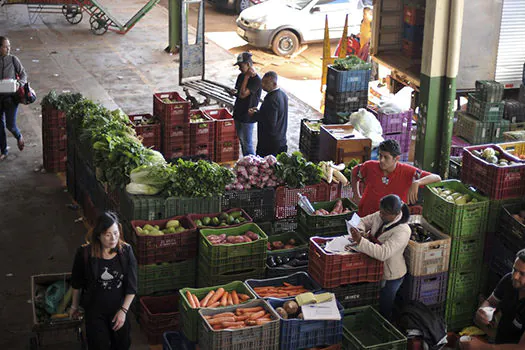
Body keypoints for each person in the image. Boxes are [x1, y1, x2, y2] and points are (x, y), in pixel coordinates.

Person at [69, 211, 137, 350]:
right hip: (94, 312)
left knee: (122, 345)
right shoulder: (85, 254)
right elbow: (77, 283)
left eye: (116, 233)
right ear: (99, 235)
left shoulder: (125, 252)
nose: (113, 238)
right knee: (99, 345)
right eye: (108, 234)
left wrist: (123, 311)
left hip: (118, 309)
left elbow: (132, 286)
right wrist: (74, 307)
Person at [348, 194, 411, 320]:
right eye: (380, 211)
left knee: (384, 306)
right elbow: (363, 221)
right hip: (374, 268)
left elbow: (383, 253)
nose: (381, 215)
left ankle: (384, 325)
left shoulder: (403, 231)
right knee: (373, 301)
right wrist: (359, 229)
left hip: (391, 275)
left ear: (396, 213)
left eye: (385, 214)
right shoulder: (381, 215)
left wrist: (361, 241)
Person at [351, 139, 441, 217]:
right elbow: (355, 172)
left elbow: (437, 178)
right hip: (365, 215)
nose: (381, 160)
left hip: (391, 221)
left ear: (396, 158)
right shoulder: (369, 166)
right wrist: (356, 195)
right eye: (380, 155)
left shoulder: (408, 171)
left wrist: (417, 182)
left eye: (386, 157)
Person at [461, 249, 525, 350]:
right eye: (514, 270)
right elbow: (490, 302)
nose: (515, 276)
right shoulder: (509, 280)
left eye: (522, 274)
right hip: (498, 341)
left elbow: (522, 347)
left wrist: (483, 347)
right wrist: (483, 311)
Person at [248, 71, 288, 157]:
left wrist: (254, 115)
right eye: (262, 81)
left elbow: (270, 123)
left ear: (274, 83)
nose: (262, 85)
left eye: (266, 83)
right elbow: (272, 116)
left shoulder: (272, 99)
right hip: (281, 140)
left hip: (269, 144)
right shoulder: (283, 95)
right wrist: (259, 112)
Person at [0, 36, 26, 161]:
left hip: (11, 99)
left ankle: (19, 136)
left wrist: (19, 84)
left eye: (9, 46)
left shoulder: (13, 60)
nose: (8, 49)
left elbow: (23, 75)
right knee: (0, 126)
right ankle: (3, 151)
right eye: (5, 46)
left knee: (10, 125)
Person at [231, 52, 262, 156]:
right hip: (238, 112)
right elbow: (239, 92)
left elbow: (243, 94)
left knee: (247, 143)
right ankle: (246, 163)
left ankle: (252, 164)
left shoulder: (256, 80)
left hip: (247, 115)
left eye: (241, 66)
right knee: (242, 141)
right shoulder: (241, 76)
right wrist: (234, 92)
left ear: (248, 64)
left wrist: (247, 77)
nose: (239, 68)